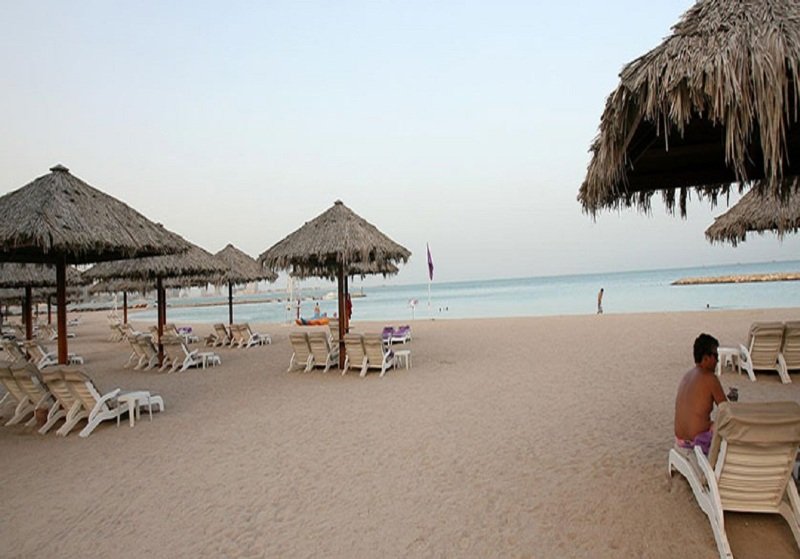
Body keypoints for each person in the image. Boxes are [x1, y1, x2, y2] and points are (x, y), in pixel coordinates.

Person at [674, 333, 727, 455]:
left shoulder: (687, 376)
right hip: (699, 441)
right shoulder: (710, 378)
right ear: (706, 358)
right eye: (715, 356)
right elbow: (726, 410)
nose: (718, 360)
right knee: (724, 426)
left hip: (680, 440)